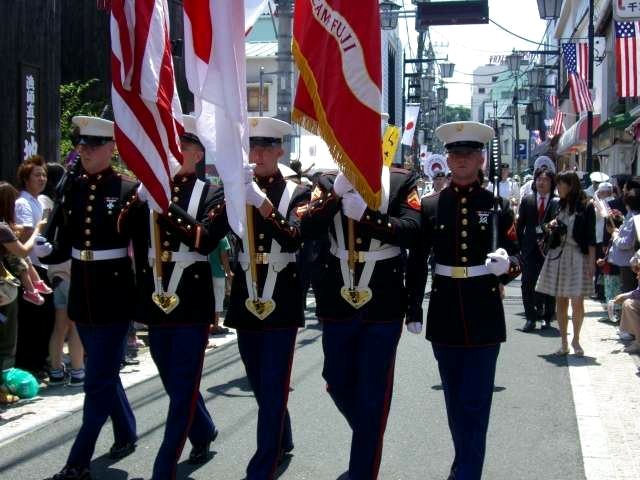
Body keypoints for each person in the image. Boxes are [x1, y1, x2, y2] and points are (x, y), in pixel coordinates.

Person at [405, 121, 521, 480]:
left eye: (468, 154)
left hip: (484, 312)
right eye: (455, 154)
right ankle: (464, 464)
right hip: (444, 312)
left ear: (481, 158)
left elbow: (519, 256)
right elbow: (417, 260)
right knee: (455, 402)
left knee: (477, 402)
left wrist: (508, 266)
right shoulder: (431, 205)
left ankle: (467, 473)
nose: (460, 160)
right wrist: (413, 307)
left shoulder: (497, 204)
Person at [301, 134, 421, 477]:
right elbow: (306, 228)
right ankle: (369, 434)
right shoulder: (325, 180)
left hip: (383, 300)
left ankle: (362, 470)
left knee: (372, 394)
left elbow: (413, 230)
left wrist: (369, 217)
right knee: (335, 380)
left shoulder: (400, 179)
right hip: (337, 297)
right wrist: (335, 195)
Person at [119, 114, 227, 479]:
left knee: (183, 385)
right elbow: (121, 229)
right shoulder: (151, 188)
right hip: (155, 296)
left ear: (197, 154)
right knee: (170, 377)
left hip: (192, 299)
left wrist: (165, 206)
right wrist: (138, 199)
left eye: (180, 147)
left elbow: (206, 238)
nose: (171, 153)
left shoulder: (213, 192)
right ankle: (203, 429)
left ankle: (163, 466)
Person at [42, 115, 138, 480]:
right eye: (81, 145)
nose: (85, 151)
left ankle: (78, 459)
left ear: (111, 148)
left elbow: (141, 251)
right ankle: (127, 431)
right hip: (83, 291)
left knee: (98, 379)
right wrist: (41, 253)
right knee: (103, 372)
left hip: (115, 295)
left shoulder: (127, 190)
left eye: (93, 145)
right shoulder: (73, 188)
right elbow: (64, 243)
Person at [224, 116, 310, 479]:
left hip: (281, 291)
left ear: (279, 151)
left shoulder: (298, 191)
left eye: (263, 148)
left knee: (274, 380)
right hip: (246, 291)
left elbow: (293, 238)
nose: (256, 155)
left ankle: (264, 462)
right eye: (251, 148)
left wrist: (261, 205)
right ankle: (282, 434)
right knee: (258, 378)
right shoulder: (236, 186)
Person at [536, 171, 596, 356]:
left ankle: (576, 340)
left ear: (571, 185)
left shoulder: (587, 206)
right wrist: (550, 228)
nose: (557, 187)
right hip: (558, 254)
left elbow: (591, 237)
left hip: (578, 255)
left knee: (577, 302)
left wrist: (592, 264)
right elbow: (548, 227)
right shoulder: (558, 204)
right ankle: (564, 343)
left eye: (561, 184)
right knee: (560, 301)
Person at [0, 182, 48, 405]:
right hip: (4, 292)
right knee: (7, 341)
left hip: (6, 287)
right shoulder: (3, 228)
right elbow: (22, 250)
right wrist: (37, 229)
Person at [41, 164, 85, 387]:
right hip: (72, 271)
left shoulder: (52, 204)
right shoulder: (65, 206)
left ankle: (56, 371)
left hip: (56, 273)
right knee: (76, 324)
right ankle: (77, 371)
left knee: (60, 325)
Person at [13, 155, 56, 375]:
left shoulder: (38, 201)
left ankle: (39, 361)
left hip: (41, 265)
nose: (42, 178)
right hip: (28, 267)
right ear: (26, 178)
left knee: (44, 318)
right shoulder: (22, 202)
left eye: (44, 175)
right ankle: (29, 364)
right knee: (34, 319)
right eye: (36, 175)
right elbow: (27, 232)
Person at [517, 167, 559, 332]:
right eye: (539, 179)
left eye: (546, 180)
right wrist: (520, 247)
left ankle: (547, 317)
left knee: (548, 283)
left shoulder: (556, 201)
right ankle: (530, 318)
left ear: (552, 182)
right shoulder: (527, 200)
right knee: (527, 283)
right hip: (529, 249)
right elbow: (520, 227)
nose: (541, 182)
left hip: (549, 249)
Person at [208, 236, 232, 337]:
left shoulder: (206, 234)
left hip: (205, 272)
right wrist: (229, 272)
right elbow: (224, 257)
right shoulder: (222, 238)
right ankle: (215, 326)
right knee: (218, 299)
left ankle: (208, 325)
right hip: (217, 272)